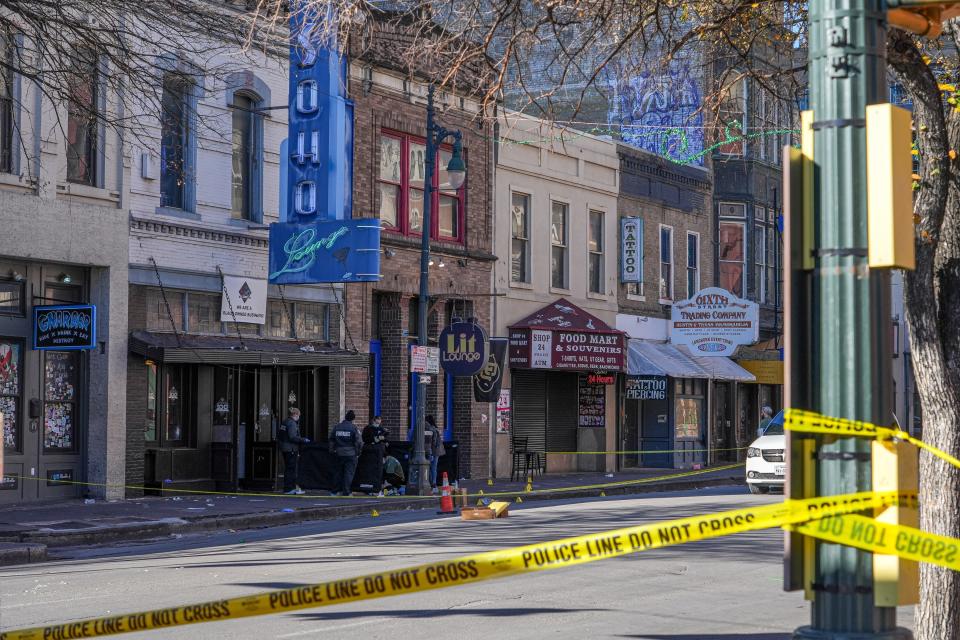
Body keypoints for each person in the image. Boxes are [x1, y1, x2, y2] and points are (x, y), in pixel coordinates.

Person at [329, 410, 363, 496]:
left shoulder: (337, 427)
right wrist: (358, 453)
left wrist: (332, 450)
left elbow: (331, 440)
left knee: (337, 473)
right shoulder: (354, 428)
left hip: (338, 453)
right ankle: (346, 492)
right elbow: (359, 442)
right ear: (353, 419)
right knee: (348, 473)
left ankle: (334, 491)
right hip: (350, 454)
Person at [278, 407, 309, 495]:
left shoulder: (285, 422)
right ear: (295, 415)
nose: (299, 417)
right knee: (291, 469)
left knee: (288, 468)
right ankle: (289, 489)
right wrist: (303, 440)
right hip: (291, 449)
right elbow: (292, 437)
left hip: (285, 448)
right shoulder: (292, 423)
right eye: (298, 415)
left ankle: (290, 488)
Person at [424, 415, 446, 491]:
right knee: (433, 468)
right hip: (437, 451)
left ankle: (433, 483)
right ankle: (433, 483)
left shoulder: (430, 429)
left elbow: (433, 442)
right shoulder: (434, 428)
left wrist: (430, 452)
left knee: (432, 467)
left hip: (434, 451)